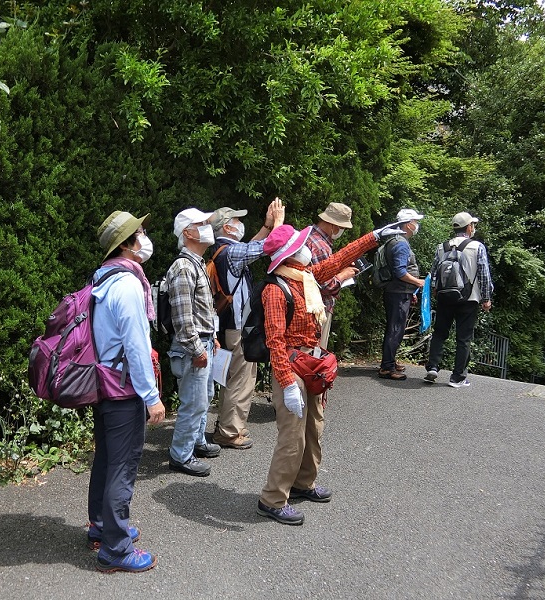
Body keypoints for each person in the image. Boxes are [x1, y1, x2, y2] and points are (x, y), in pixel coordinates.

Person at [257, 222, 403, 525]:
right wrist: (287, 384)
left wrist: (374, 237)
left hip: (311, 363)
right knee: (292, 436)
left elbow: (338, 260)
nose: (306, 248)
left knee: (314, 428)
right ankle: (272, 499)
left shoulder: (305, 277)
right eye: (300, 245)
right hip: (291, 367)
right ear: (289, 253)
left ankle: (303, 483)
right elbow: (275, 342)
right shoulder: (275, 289)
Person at [88, 210, 166, 573]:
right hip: (123, 388)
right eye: (141, 233)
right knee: (122, 465)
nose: (145, 238)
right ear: (127, 244)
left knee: (106, 459)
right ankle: (116, 549)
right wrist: (152, 397)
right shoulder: (128, 284)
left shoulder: (101, 278)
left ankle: (100, 526)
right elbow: (136, 346)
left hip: (102, 382)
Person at [209, 199, 284, 450]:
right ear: (227, 227)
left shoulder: (223, 251)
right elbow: (269, 246)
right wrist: (279, 223)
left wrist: (267, 226)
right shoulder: (231, 253)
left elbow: (251, 247)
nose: (241, 223)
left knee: (232, 378)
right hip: (238, 327)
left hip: (228, 326)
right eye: (237, 220)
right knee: (240, 379)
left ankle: (227, 425)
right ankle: (230, 432)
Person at [166, 208, 221, 476]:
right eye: (201, 224)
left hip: (203, 343)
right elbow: (182, 318)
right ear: (187, 232)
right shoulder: (183, 267)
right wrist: (198, 349)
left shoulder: (196, 263)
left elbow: (202, 310)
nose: (207, 227)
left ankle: (196, 442)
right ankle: (181, 455)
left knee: (204, 398)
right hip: (192, 347)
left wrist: (213, 337)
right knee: (193, 402)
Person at [424, 212, 493, 388]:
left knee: (440, 333)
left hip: (445, 297)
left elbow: (434, 273)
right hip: (469, 298)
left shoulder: (442, 247)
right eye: (473, 225)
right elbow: (484, 275)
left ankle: (433, 367)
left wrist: (435, 291)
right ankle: (457, 377)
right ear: (469, 227)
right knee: (463, 338)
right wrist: (486, 298)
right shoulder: (477, 247)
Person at [378, 209, 426, 381]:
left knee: (394, 328)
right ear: (408, 224)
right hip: (398, 293)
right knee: (396, 329)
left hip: (397, 291)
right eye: (415, 221)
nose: (416, 225)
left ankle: (389, 361)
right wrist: (418, 282)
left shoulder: (394, 240)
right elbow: (400, 272)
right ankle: (387, 367)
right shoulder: (401, 244)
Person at [306, 202, 360, 350]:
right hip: (318, 308)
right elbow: (325, 285)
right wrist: (344, 275)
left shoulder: (308, 234)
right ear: (333, 225)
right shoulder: (320, 246)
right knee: (313, 354)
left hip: (306, 305)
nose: (342, 231)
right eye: (342, 227)